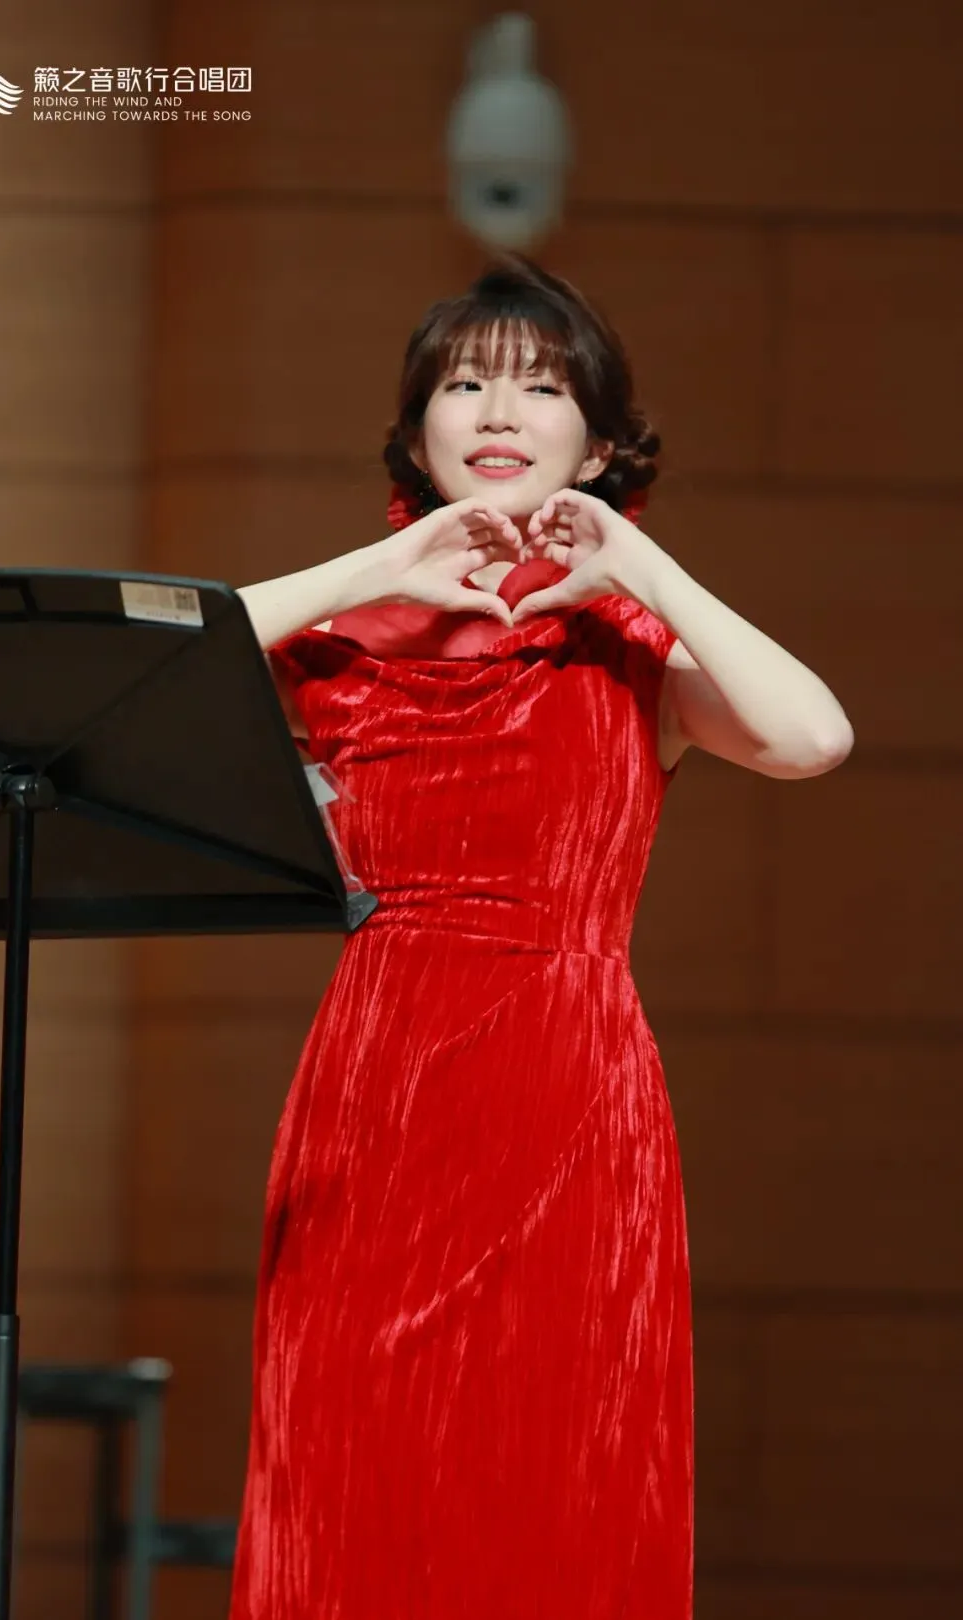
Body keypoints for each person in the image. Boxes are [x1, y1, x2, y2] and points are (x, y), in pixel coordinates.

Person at [228, 256, 853, 1620]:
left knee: (553, 1454)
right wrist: (387, 564)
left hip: (565, 1089)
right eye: (464, 385)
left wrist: (635, 561)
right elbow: (155, 664)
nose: (499, 411)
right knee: (347, 1462)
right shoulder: (342, 644)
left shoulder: (632, 649)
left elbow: (813, 737)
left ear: (601, 445)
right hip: (377, 1086)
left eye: (543, 388)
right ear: (416, 437)